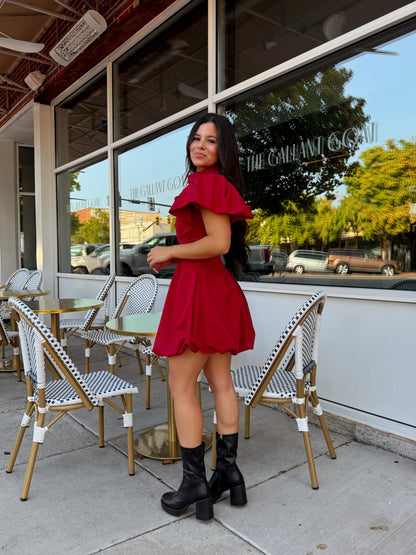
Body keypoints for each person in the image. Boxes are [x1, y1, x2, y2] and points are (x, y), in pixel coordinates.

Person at [147, 112, 255, 520]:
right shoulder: (212, 183)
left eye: (211, 141)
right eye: (196, 138)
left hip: (199, 290)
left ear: (223, 149)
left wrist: (170, 250)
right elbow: (221, 243)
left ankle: (194, 483)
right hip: (216, 290)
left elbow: (219, 241)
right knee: (221, 382)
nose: (200, 145)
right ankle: (227, 474)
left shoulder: (207, 183)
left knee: (181, 384)